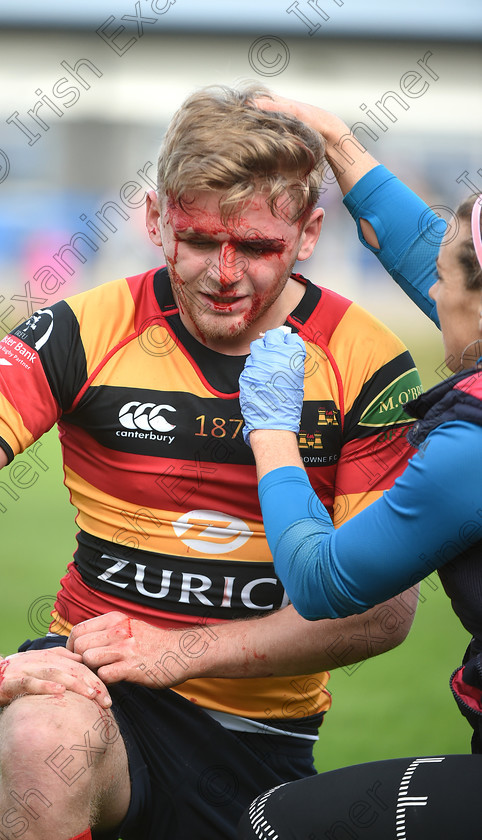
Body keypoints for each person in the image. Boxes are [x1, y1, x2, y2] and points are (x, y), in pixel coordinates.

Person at [0, 85, 420, 840]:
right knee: (44, 738)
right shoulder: (85, 327)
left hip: (262, 734)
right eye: (200, 240)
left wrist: (181, 652)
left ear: (308, 234)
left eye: (259, 248)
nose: (224, 272)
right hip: (99, 688)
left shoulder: (364, 358)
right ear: (154, 220)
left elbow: (382, 613)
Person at [237, 96, 482, 839]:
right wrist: (340, 143)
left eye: (444, 278)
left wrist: (273, 432)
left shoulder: (470, 451)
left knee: (274, 826)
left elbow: (321, 580)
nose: (431, 294)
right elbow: (436, 261)